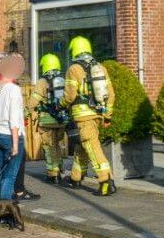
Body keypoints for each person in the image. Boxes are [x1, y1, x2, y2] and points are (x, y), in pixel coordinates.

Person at [60, 36, 117, 196]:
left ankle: (106, 182)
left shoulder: (74, 69)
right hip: (97, 115)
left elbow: (70, 96)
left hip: (82, 117)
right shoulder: (100, 67)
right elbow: (111, 94)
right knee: (82, 147)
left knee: (92, 148)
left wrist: (60, 105)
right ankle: (75, 178)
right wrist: (107, 116)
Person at [0, 53, 25, 202]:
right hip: (11, 136)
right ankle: (3, 212)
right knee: (9, 176)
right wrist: (15, 144)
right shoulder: (14, 90)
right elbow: (14, 120)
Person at [28, 53, 67, 184]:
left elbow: (33, 102)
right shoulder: (63, 80)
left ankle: (53, 174)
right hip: (61, 121)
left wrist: (26, 112)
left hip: (47, 121)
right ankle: (60, 168)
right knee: (57, 145)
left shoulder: (42, 82)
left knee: (49, 147)